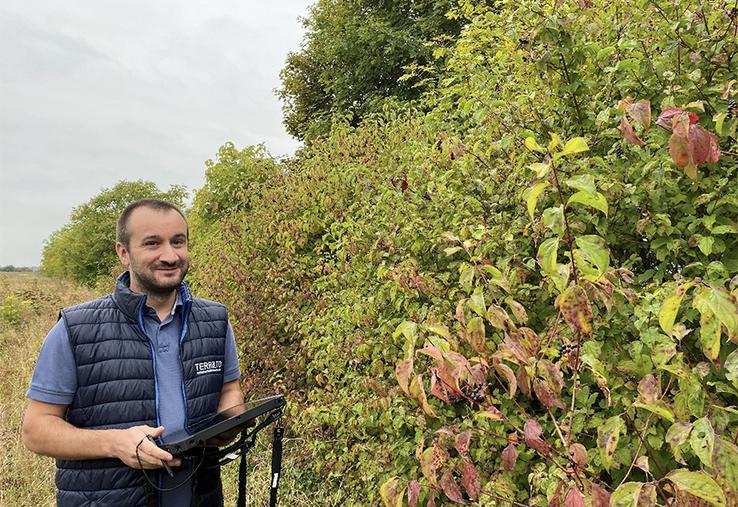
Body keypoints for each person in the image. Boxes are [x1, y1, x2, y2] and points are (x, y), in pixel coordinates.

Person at [22, 199, 243, 506]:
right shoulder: (76, 328)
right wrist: (115, 443)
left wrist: (230, 422)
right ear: (123, 253)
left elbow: (230, 390)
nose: (170, 255)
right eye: (153, 243)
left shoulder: (215, 320)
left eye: (178, 242)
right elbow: (36, 430)